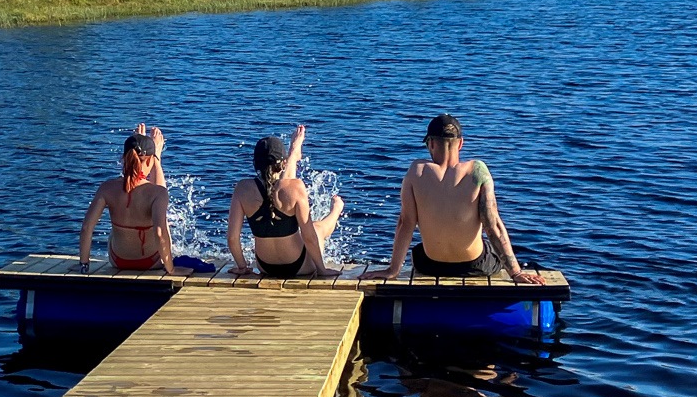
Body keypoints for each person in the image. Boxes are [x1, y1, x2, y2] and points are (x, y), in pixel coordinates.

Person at [381, 113, 544, 283]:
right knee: (491, 249)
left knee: (419, 250)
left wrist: (393, 270)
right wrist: (516, 272)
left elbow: (405, 223)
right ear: (460, 144)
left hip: (430, 265)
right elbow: (492, 225)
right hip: (475, 266)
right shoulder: (477, 171)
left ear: (430, 143)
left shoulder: (416, 171)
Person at [228, 125, 347, 278]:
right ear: (282, 164)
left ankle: (294, 154)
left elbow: (232, 238)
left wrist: (242, 266)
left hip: (265, 266)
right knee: (318, 228)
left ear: (255, 163)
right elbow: (309, 237)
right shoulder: (296, 187)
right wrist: (321, 269)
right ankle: (336, 209)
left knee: (283, 189)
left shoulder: (242, 188)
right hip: (300, 265)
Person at [79, 123, 177, 274]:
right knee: (162, 221)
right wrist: (171, 270)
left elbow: (86, 228)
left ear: (123, 158)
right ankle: (156, 156)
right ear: (150, 161)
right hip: (151, 262)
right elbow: (159, 232)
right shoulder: (159, 193)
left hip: (118, 261)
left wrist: (84, 266)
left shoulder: (106, 188)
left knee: (117, 228)